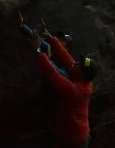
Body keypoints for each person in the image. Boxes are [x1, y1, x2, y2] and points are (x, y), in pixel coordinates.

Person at [20, 14, 95, 148]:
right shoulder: (81, 78)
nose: (75, 62)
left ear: (82, 74)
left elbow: (52, 74)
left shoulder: (75, 90)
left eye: (79, 65)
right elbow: (67, 58)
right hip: (70, 132)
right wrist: (51, 37)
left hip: (73, 139)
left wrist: (38, 51)